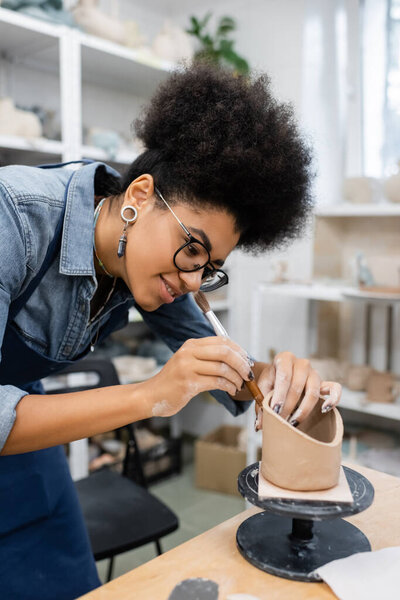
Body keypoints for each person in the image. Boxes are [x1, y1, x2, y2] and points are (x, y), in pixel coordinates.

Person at [0, 63, 341, 599]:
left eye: (210, 266)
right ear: (138, 195)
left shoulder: (150, 262)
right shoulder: (13, 218)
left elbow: (222, 364)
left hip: (23, 428)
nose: (191, 279)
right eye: (193, 247)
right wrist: (153, 394)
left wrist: (278, 379)